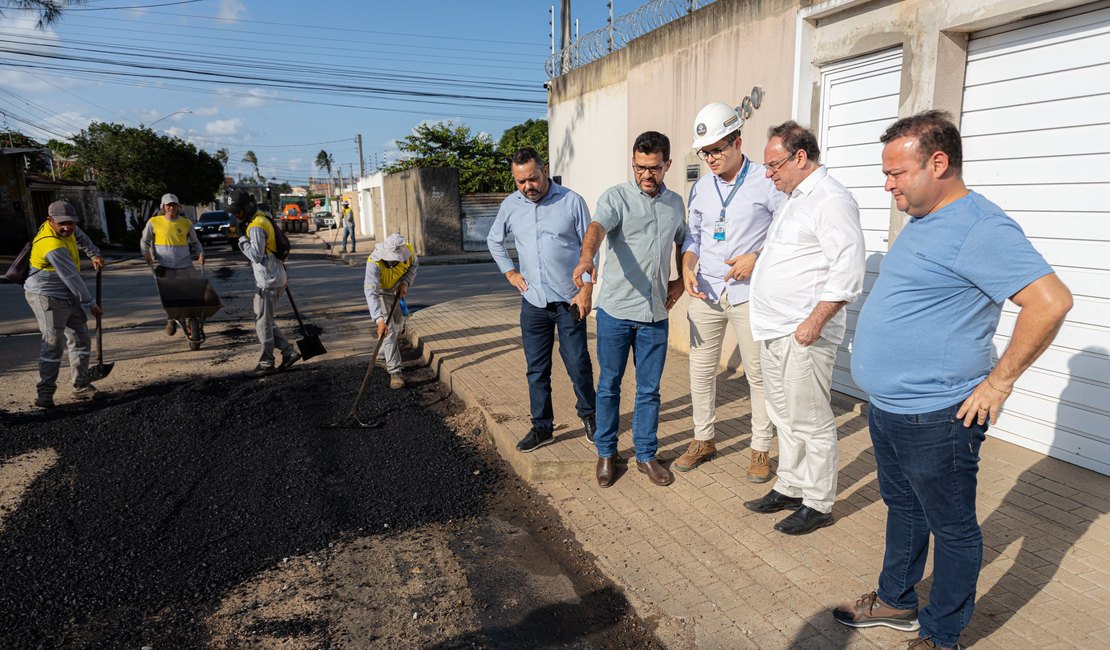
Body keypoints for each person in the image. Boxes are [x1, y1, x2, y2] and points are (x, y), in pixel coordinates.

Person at [835, 111, 1072, 650]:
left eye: (896, 173)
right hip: (891, 408)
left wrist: (998, 383)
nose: (887, 183)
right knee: (903, 508)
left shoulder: (980, 227)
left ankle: (942, 636)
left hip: (937, 417)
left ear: (937, 163)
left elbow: (1051, 302)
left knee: (955, 530)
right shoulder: (924, 219)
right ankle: (897, 599)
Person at [743, 121, 865, 535]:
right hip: (776, 330)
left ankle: (818, 501)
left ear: (800, 157)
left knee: (811, 419)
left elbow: (847, 273)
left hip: (803, 332)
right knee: (785, 416)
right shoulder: (794, 198)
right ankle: (791, 486)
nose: (768, 173)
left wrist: (812, 325)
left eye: (774, 164)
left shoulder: (831, 200)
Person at [677, 102, 785, 481]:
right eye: (705, 152)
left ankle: (760, 448)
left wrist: (757, 256)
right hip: (706, 291)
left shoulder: (765, 180)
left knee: (758, 374)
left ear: (738, 141)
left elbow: (786, 232)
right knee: (701, 372)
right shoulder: (701, 188)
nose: (710, 158)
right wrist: (687, 266)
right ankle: (704, 438)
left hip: (749, 293)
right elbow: (694, 236)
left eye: (717, 149)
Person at [573, 131, 687, 488]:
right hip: (617, 313)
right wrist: (586, 256)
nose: (646, 175)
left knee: (649, 390)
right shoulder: (616, 197)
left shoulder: (676, 204)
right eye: (639, 167)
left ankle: (646, 456)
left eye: (653, 168)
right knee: (609, 386)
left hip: (655, 315)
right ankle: (607, 453)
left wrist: (681, 281)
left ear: (667, 165)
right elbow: (596, 227)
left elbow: (684, 242)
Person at [487, 147, 597, 453]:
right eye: (520, 181)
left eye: (532, 179)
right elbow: (494, 240)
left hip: (569, 298)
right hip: (533, 302)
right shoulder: (510, 206)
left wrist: (586, 288)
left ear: (544, 170)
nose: (527, 187)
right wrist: (510, 273)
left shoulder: (571, 201)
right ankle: (542, 427)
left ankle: (590, 417)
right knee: (536, 369)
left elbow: (589, 248)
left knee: (578, 363)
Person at [23, 200, 107, 408]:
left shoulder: (70, 230)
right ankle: (45, 394)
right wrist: (90, 303)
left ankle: (81, 385)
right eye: (62, 224)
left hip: (67, 294)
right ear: (50, 221)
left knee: (80, 338)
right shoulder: (51, 245)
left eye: (70, 223)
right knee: (53, 343)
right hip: (47, 298)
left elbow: (82, 237)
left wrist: (94, 252)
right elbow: (72, 277)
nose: (68, 228)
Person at [227, 190, 300, 376]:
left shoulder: (256, 226)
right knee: (264, 320)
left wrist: (241, 239)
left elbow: (256, 256)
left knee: (263, 323)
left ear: (246, 208)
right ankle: (288, 351)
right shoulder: (261, 217)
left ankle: (267, 362)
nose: (235, 215)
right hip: (273, 277)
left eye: (238, 211)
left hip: (269, 281)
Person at [140, 193, 205, 338]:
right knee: (171, 298)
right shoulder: (154, 222)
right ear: (163, 206)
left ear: (178, 206)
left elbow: (196, 242)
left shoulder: (186, 223)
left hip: (185, 265)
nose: (172, 208)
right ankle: (172, 317)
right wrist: (145, 253)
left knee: (192, 296)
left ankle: (190, 319)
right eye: (168, 205)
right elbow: (144, 240)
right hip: (165, 266)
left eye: (174, 205)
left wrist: (200, 253)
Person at [364, 233, 418, 389]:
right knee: (389, 331)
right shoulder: (374, 263)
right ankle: (395, 371)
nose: (395, 262)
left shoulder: (409, 252)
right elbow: (371, 293)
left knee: (399, 325)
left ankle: (381, 356)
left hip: (395, 289)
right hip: (380, 292)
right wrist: (379, 320)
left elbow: (413, 266)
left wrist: (405, 283)